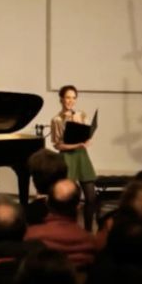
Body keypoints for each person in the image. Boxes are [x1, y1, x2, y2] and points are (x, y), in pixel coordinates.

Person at [49, 85, 98, 231]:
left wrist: (87, 140)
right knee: (69, 198)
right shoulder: (56, 119)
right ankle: (70, 230)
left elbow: (86, 136)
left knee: (91, 197)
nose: (71, 101)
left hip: (82, 157)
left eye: (73, 98)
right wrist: (76, 145)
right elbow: (58, 145)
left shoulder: (81, 115)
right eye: (68, 97)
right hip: (67, 158)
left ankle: (88, 230)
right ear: (61, 99)